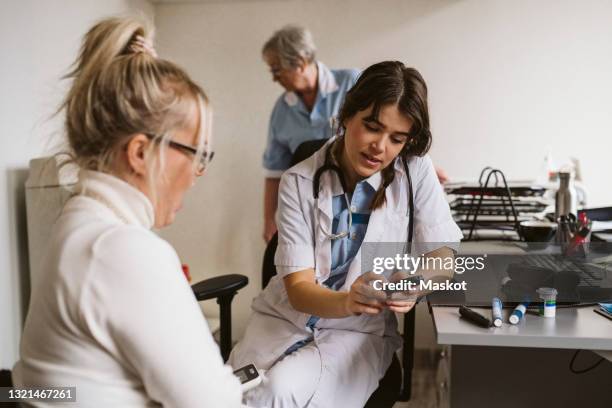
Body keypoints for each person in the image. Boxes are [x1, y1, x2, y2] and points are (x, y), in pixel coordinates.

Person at [12, 17, 242, 407]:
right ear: (140, 153)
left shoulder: (77, 223)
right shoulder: (123, 250)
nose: (197, 174)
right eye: (196, 154)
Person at [230, 61, 462, 407]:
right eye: (372, 127)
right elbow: (299, 290)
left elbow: (445, 257)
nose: (380, 147)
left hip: (357, 331)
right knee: (234, 395)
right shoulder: (299, 180)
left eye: (397, 139)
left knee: (280, 390)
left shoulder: (415, 170)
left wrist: (416, 281)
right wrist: (347, 300)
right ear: (347, 114)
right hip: (285, 318)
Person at [261, 25, 360, 242]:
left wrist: (412, 163)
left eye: (276, 69)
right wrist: (269, 220)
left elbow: (384, 130)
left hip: (358, 203)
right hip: (306, 211)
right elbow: (274, 171)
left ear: (299, 62)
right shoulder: (282, 109)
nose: (274, 78)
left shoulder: (351, 83)